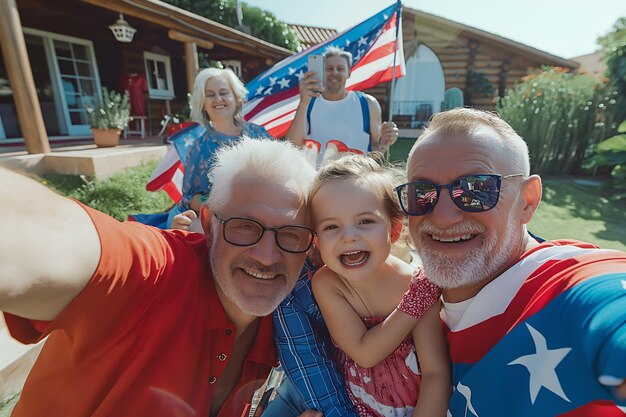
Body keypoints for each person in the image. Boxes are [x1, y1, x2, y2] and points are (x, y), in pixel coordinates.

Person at [0, 138, 322, 417]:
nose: (267, 256)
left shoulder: (284, 326)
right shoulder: (155, 273)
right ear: (208, 225)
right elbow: (43, 234)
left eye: (291, 234)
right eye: (244, 226)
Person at [400, 108, 626, 416]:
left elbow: (609, 302)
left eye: (475, 190)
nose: (441, 217)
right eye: (422, 193)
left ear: (527, 201)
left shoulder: (568, 286)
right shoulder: (410, 302)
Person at [309, 154, 451, 416]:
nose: (349, 236)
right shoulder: (328, 283)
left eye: (365, 221)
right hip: (355, 408)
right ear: (317, 241)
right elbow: (364, 353)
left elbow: (436, 372)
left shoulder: (416, 282)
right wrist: (413, 305)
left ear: (394, 230)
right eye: (331, 226)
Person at [166, 67, 272, 230]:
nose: (218, 99)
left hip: (263, 213)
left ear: (236, 98)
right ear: (203, 104)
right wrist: (218, 203)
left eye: (224, 92)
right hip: (219, 221)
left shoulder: (258, 135)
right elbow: (189, 198)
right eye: (210, 95)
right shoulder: (199, 148)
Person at [286, 46, 399, 166]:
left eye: (340, 68)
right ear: (322, 72)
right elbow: (293, 147)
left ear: (349, 73)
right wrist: (303, 103)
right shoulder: (308, 102)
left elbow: (376, 149)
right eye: (329, 68)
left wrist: (384, 143)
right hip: (317, 180)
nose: (334, 72)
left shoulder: (367, 103)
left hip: (355, 180)